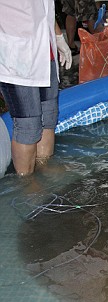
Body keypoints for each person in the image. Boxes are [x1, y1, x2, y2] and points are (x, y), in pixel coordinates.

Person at [0, 0, 72, 176]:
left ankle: (43, 165)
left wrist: (57, 36)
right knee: (28, 125)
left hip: (45, 50)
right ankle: (26, 181)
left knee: (49, 117)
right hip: (15, 56)